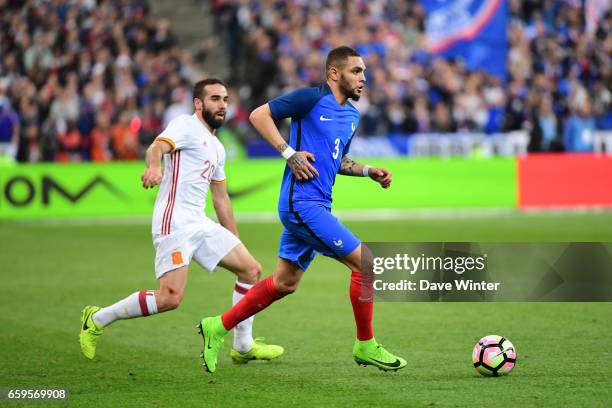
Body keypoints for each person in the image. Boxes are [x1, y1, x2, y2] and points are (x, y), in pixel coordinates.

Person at [197, 46, 407, 373]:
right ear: (334, 73)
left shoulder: (351, 115)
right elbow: (258, 115)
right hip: (301, 205)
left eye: (364, 71)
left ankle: (217, 326)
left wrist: (368, 171)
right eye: (356, 71)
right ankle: (365, 344)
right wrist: (288, 152)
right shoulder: (310, 98)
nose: (363, 78)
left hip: (319, 203)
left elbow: (337, 161)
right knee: (366, 264)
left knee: (285, 283)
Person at [79, 78, 283, 365]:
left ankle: (243, 345)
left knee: (250, 269)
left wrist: (234, 239)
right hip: (174, 223)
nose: (222, 104)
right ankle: (97, 318)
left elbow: (221, 198)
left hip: (199, 222)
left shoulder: (217, 147)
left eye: (225, 99)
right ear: (198, 104)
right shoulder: (185, 126)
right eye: (214, 99)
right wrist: (154, 166)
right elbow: (157, 147)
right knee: (170, 298)